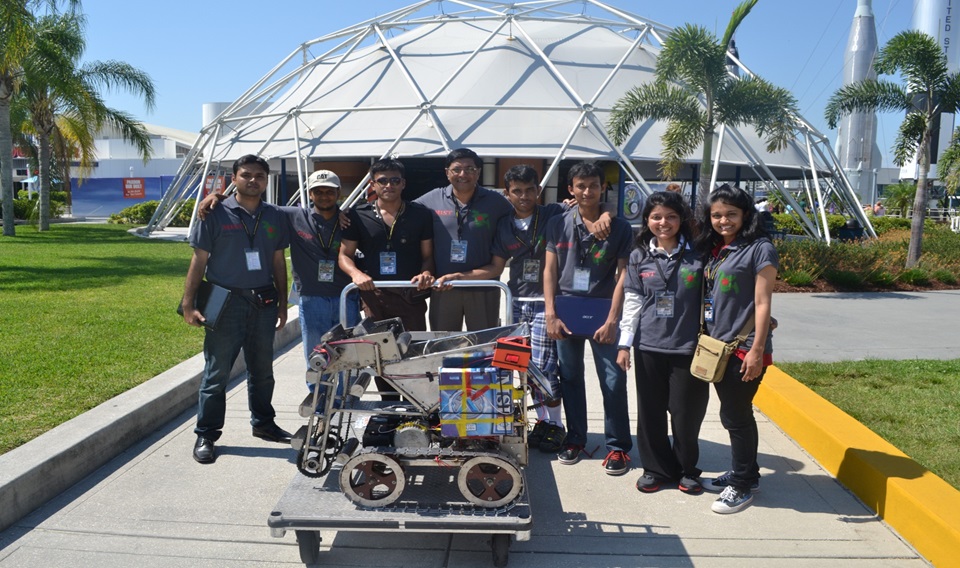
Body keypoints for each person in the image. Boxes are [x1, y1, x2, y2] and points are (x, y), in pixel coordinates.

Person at [196, 170, 361, 381]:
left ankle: (346, 401)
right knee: (316, 355)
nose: (324, 196)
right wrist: (218, 197)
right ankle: (320, 405)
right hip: (312, 299)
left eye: (329, 191)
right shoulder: (292, 216)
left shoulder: (350, 219)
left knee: (350, 354)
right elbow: (251, 202)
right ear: (310, 194)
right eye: (318, 191)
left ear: (339, 193)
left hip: (346, 297)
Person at [181, 154, 292, 464]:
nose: (253, 180)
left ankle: (264, 424)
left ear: (267, 180)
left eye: (259, 175)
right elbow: (199, 260)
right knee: (216, 373)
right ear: (234, 179)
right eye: (246, 174)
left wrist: (283, 304)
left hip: (263, 302)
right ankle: (207, 434)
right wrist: (189, 304)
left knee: (263, 370)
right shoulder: (213, 212)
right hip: (225, 301)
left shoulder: (275, 216)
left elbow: (276, 262)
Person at [616, 191, 709, 494]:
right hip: (648, 346)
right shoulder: (639, 256)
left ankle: (687, 470)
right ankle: (656, 469)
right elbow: (632, 301)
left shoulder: (698, 255)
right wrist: (624, 344)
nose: (663, 222)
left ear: (681, 220)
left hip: (687, 347)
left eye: (671, 216)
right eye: (656, 216)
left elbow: (712, 300)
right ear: (647, 220)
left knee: (685, 413)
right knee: (650, 412)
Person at [544, 161, 633, 476]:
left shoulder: (620, 228)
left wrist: (613, 319)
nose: (587, 191)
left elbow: (624, 274)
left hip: (602, 312)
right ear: (571, 189)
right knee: (569, 377)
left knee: (613, 379)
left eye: (593, 185)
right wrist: (551, 313)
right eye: (580, 185)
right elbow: (550, 270)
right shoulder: (557, 223)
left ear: (602, 187)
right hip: (567, 310)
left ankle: (618, 446)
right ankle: (576, 438)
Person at [694, 184, 778, 514]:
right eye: (717, 215)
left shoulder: (760, 248)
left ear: (745, 215)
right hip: (718, 346)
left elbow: (763, 302)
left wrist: (756, 350)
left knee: (736, 416)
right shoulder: (718, 249)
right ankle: (747, 473)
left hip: (743, 348)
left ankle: (741, 485)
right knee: (732, 413)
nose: (723, 220)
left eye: (731, 214)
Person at [339, 158, 436, 399]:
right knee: (381, 355)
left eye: (395, 180)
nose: (389, 185)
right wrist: (356, 274)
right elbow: (344, 256)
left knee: (413, 352)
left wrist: (426, 273)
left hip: (409, 295)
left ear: (403, 183)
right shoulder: (357, 214)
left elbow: (428, 256)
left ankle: (416, 407)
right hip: (375, 296)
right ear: (373, 184)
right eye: (382, 181)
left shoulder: (420, 214)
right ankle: (390, 406)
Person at [415, 148, 513, 331]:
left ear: (479, 173)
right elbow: (400, 213)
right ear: (447, 173)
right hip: (444, 288)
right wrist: (348, 214)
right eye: (457, 169)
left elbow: (525, 214)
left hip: (483, 288)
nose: (463, 174)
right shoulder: (431, 200)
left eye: (470, 169)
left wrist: (566, 207)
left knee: (483, 347)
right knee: (443, 347)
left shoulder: (496, 202)